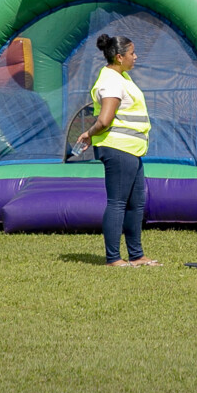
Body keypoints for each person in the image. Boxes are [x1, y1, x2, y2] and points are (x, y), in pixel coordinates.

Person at [75, 34, 156, 267]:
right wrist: (89, 133)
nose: (135, 57)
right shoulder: (110, 81)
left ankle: (136, 255)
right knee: (118, 202)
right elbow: (104, 120)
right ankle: (113, 258)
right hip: (117, 148)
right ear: (119, 57)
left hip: (131, 149)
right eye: (132, 53)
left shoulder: (122, 77)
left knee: (136, 203)